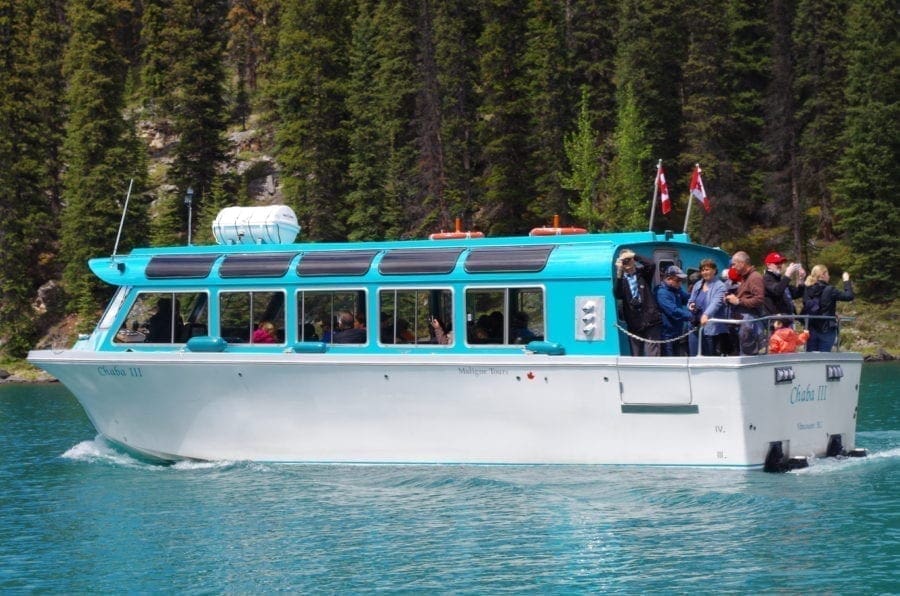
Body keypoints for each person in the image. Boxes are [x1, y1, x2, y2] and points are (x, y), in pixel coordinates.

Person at [614, 248, 662, 356]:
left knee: (652, 355)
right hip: (634, 322)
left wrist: (634, 256)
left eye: (628, 259)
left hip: (650, 320)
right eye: (624, 260)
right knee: (636, 356)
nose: (627, 262)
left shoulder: (643, 274)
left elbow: (652, 264)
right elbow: (618, 294)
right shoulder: (621, 279)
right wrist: (619, 273)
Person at [802, 265, 854, 352]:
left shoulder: (808, 288)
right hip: (826, 328)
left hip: (811, 328)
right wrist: (846, 280)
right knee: (824, 356)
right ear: (822, 275)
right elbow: (849, 296)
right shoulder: (830, 289)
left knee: (811, 356)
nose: (829, 276)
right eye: (828, 274)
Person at [688, 259, 728, 356]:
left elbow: (716, 303)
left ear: (714, 270)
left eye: (707, 269)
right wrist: (690, 305)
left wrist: (706, 315)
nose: (704, 272)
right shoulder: (698, 284)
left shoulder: (720, 286)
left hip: (711, 329)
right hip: (694, 326)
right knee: (694, 356)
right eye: (702, 270)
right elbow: (691, 300)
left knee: (709, 357)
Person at [655, 265, 692, 356]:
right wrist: (691, 316)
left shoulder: (676, 289)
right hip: (666, 334)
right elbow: (673, 311)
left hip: (677, 332)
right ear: (669, 278)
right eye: (678, 280)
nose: (680, 283)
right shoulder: (662, 293)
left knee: (677, 358)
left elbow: (687, 298)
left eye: (681, 281)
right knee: (669, 361)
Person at [762, 252, 805, 317]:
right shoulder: (766, 279)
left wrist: (801, 279)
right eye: (777, 263)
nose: (780, 265)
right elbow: (777, 291)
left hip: (788, 319)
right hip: (776, 321)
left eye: (781, 263)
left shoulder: (780, 280)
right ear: (768, 265)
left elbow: (797, 294)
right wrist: (788, 275)